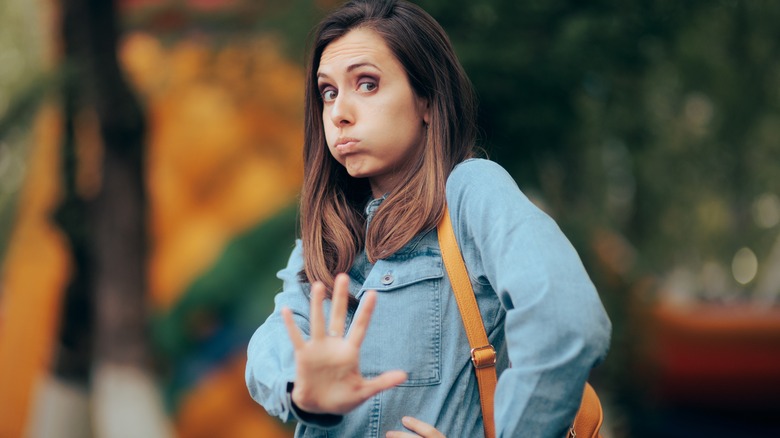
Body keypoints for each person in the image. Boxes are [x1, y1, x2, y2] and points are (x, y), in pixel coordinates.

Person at [245, 0, 611, 436]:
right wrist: (304, 389)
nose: (339, 113)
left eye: (366, 84)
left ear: (427, 101)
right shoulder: (326, 240)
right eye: (328, 92)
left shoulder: (471, 194)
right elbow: (276, 339)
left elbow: (567, 323)